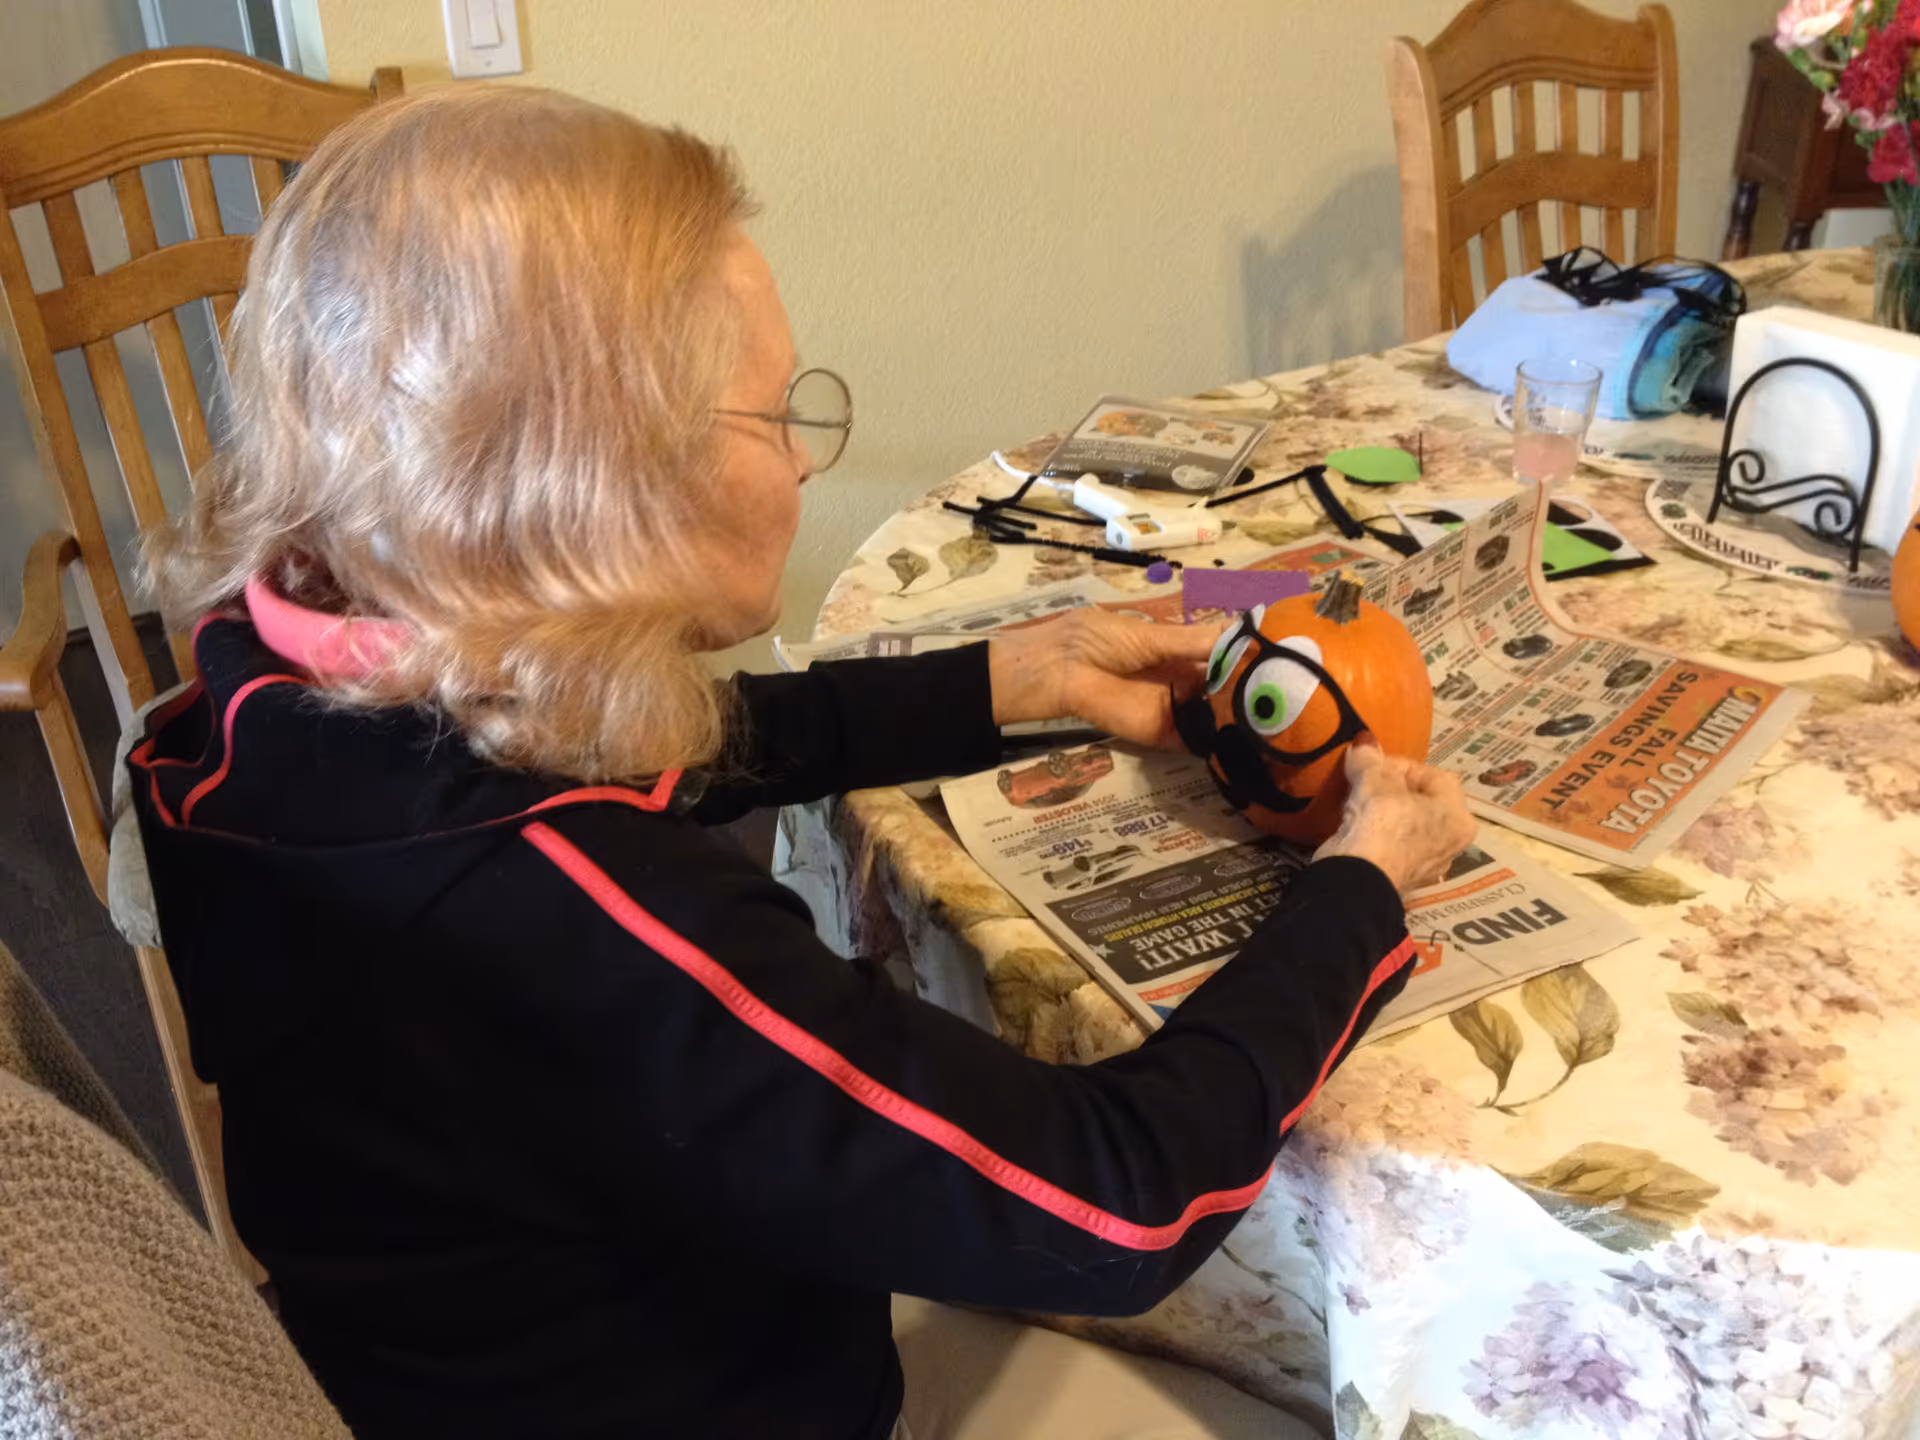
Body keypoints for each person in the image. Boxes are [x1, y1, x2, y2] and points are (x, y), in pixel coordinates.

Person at [129, 87, 1473, 1440]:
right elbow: (1117, 1205)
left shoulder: (259, 700)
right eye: (772, 419)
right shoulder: (578, 928)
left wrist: (997, 684)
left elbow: (627, 762)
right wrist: (1358, 890)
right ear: (601, 485)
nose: (797, 466)